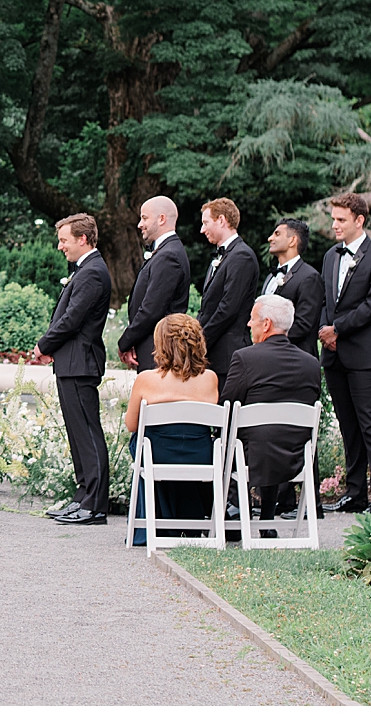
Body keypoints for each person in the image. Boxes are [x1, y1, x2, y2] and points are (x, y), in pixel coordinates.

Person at [318, 193, 371, 513]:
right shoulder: (330, 256)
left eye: (341, 220)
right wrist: (326, 331)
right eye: (333, 218)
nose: (334, 225)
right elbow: (326, 300)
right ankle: (355, 492)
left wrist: (339, 329)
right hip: (335, 354)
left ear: (359, 221)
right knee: (348, 426)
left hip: (367, 355)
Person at [36, 213, 113, 526]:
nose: (60, 246)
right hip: (72, 363)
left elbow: (72, 319)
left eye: (64, 240)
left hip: (81, 363)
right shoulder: (86, 270)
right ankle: (83, 496)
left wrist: (44, 345)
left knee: (88, 433)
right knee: (77, 434)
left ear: (83, 239)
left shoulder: (93, 272)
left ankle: (95, 504)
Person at [222, 296, 323, 529]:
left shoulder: (246, 358)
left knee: (247, 437)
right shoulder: (311, 364)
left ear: (266, 324)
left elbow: (227, 407)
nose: (249, 324)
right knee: (271, 436)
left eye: (252, 319)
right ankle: (266, 520)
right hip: (296, 456)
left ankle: (233, 510)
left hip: (251, 456)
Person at [124, 314, 220, 544]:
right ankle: (188, 520)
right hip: (200, 457)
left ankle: (154, 521)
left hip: (158, 455)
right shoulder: (210, 378)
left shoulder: (146, 379)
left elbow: (131, 424)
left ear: (161, 344)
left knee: (141, 440)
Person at [117, 196, 190, 371]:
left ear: (162, 219)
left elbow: (152, 309)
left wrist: (125, 341)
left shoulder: (169, 255)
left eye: (144, 218)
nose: (139, 224)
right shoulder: (165, 251)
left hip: (159, 349)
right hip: (152, 346)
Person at [196, 198, 260, 382]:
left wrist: (201, 342)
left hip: (228, 353)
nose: (202, 229)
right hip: (216, 352)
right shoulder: (224, 255)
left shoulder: (242, 256)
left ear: (222, 220)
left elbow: (228, 308)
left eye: (206, 223)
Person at [261, 219, 325, 358]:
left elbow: (303, 325)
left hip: (295, 358)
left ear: (292, 241)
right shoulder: (270, 278)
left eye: (277, 234)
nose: (270, 238)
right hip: (268, 356)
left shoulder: (310, 277)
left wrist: (269, 342)